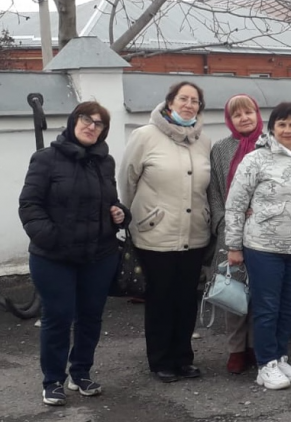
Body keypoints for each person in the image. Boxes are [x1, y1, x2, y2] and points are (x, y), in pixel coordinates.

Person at [19, 102, 131, 406]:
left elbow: (111, 201)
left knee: (90, 317)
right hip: (54, 257)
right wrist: (51, 238)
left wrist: (120, 213)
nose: (91, 126)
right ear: (73, 121)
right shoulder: (46, 159)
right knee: (58, 316)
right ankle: (52, 380)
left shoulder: (104, 162)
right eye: (86, 119)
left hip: (99, 255)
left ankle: (80, 373)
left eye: (99, 123)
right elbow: (29, 205)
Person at [224, 102, 291, 390]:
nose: (288, 129)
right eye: (282, 124)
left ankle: (280, 357)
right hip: (262, 247)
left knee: (289, 305)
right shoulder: (256, 160)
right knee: (267, 306)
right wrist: (234, 245)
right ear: (272, 128)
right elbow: (235, 205)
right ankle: (265, 364)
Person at [120, 81, 211, 383]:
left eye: (194, 101)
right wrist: (134, 217)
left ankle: (183, 358)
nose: (188, 105)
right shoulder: (144, 136)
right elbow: (128, 181)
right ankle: (160, 359)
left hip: (194, 234)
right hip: (156, 234)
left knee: (186, 299)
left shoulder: (203, 141)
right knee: (160, 299)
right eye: (183, 99)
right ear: (170, 102)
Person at [207, 94, 264, 374]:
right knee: (234, 289)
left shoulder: (269, 145)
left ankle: (256, 345)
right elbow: (215, 192)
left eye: (248, 112)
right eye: (237, 114)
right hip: (230, 230)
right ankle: (236, 349)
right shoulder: (220, 149)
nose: (244, 118)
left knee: (261, 290)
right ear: (229, 120)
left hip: (265, 230)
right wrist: (223, 223)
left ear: (257, 114)